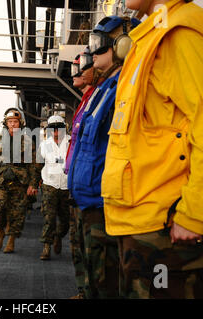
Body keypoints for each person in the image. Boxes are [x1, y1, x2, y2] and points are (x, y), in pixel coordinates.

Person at [102, 0, 203, 299]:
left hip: (165, 223)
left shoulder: (179, 34)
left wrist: (193, 213)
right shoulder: (152, 35)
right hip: (144, 220)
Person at [68, 15, 140, 299]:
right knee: (96, 280)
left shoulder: (123, 88)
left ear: (123, 46)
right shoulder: (103, 91)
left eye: (100, 45)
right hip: (89, 201)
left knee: (106, 284)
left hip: (102, 203)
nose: (93, 51)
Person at [64, 47, 100, 299]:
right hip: (77, 187)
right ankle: (83, 289)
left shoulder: (98, 98)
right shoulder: (86, 101)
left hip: (90, 190)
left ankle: (89, 291)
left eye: (82, 65)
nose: (75, 72)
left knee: (92, 249)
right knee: (78, 245)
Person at [0, 108, 41, 253]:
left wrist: (33, 184)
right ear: (6, 123)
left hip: (20, 182)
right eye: (10, 122)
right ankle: (0, 231)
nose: (13, 124)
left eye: (15, 122)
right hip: (1, 180)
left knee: (18, 213)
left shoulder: (27, 142)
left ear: (20, 124)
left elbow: (34, 165)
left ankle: (12, 239)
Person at [38, 115, 70, 261]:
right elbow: (38, 164)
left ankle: (58, 235)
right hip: (49, 185)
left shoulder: (71, 142)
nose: (56, 132)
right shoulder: (45, 145)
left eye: (59, 128)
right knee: (49, 218)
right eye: (53, 129)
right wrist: (34, 183)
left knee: (65, 220)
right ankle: (46, 247)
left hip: (66, 186)